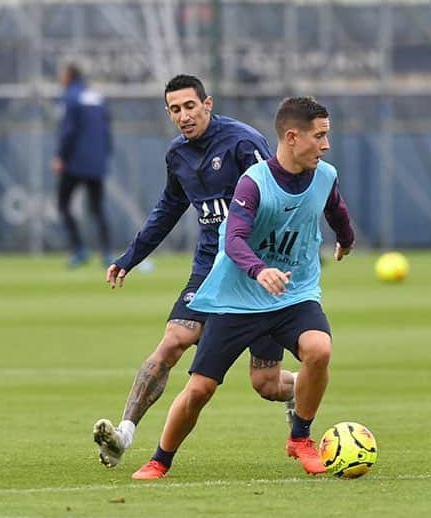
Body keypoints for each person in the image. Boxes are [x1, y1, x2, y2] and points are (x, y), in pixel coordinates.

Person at [131, 95, 355, 480]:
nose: (326, 145)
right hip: (238, 299)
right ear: (291, 137)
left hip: (293, 294)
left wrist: (346, 239)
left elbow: (335, 208)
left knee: (319, 349)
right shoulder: (253, 183)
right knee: (200, 389)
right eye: (319, 136)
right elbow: (233, 239)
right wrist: (258, 270)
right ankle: (160, 460)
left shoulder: (325, 175)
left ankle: (300, 437)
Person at [94, 74, 297, 468]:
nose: (184, 116)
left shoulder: (242, 143)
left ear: (208, 104)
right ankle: (123, 435)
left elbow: (276, 198)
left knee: (265, 384)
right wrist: (129, 258)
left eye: (190, 106)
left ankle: (299, 389)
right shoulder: (178, 156)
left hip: (258, 271)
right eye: (175, 109)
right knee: (172, 341)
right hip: (211, 269)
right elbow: (167, 211)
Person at [53, 61, 112, 268]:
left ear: (69, 77)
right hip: (96, 161)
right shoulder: (96, 97)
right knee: (97, 208)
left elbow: (68, 131)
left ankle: (79, 250)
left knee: (63, 203)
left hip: (75, 163)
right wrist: (104, 155)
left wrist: (61, 156)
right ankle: (106, 253)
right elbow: (106, 129)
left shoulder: (70, 97)